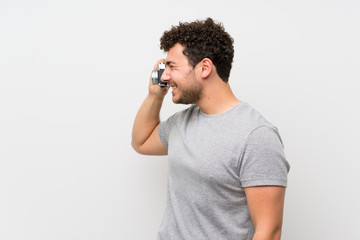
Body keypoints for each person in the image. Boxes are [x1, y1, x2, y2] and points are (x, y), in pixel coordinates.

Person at [131, 18, 290, 240]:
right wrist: (155, 93)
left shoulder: (257, 136)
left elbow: (269, 232)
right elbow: (141, 142)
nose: (165, 76)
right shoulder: (181, 122)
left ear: (204, 67)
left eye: (172, 66)